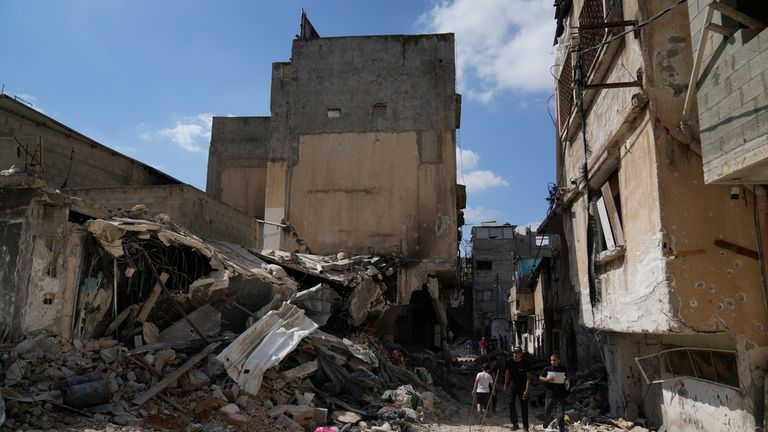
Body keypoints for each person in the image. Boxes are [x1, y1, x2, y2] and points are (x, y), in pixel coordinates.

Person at [504, 347, 532, 431]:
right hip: (513, 384)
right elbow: (507, 373)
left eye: (517, 353)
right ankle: (515, 423)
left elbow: (528, 378)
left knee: (524, 406)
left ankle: (526, 427)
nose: (515, 354)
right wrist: (505, 384)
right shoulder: (509, 361)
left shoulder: (525, 363)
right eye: (514, 353)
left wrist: (527, 390)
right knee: (510, 402)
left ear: (521, 354)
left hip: (523, 385)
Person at [539, 353, 569, 432]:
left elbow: (567, 380)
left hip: (561, 395)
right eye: (551, 360)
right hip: (550, 395)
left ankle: (561, 430)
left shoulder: (563, 369)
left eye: (554, 360)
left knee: (561, 416)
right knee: (547, 412)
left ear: (559, 360)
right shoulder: (547, 369)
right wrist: (547, 379)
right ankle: (548, 420)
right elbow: (540, 377)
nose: (552, 362)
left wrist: (566, 381)